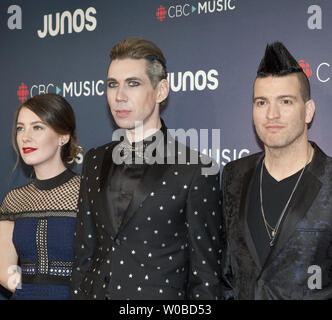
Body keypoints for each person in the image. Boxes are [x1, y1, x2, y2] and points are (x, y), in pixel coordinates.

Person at [71, 37, 222, 300]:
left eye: (133, 84)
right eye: (112, 85)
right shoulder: (94, 161)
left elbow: (206, 277)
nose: (119, 96)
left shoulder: (196, 169)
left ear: (161, 91)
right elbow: (85, 253)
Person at [221, 42, 332, 300]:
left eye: (285, 101)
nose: (272, 114)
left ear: (308, 111)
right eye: (261, 102)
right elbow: (227, 273)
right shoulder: (233, 175)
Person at [0, 93, 81, 300]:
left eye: (37, 127)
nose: (25, 137)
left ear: (63, 136)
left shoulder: (86, 192)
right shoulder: (14, 200)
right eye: (20, 128)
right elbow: (4, 270)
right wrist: (28, 292)